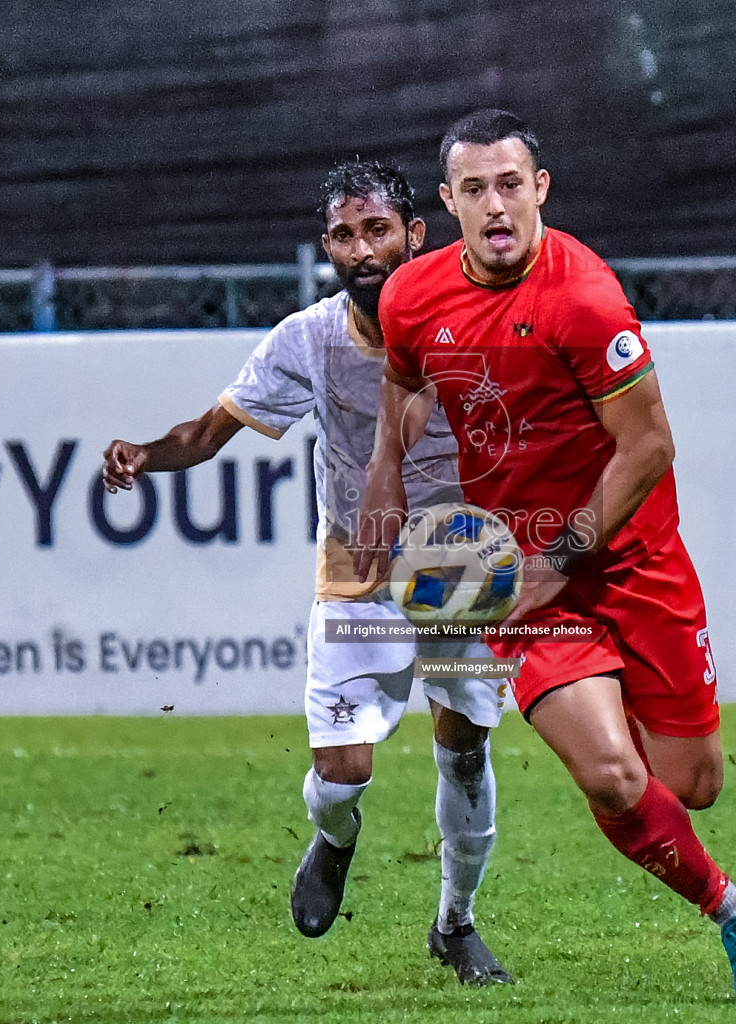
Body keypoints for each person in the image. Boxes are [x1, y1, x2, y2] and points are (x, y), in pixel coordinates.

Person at [354, 111, 736, 1003]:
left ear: (540, 189)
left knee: (690, 786)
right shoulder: (411, 297)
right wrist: (386, 468)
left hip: (633, 562)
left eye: (511, 184)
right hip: (526, 583)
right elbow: (405, 381)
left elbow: (651, 447)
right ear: (448, 203)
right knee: (612, 776)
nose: (496, 205)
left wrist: (563, 554)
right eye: (474, 189)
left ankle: (623, 730)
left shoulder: (585, 299)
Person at [102, 159, 513, 985]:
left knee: (463, 749)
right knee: (342, 770)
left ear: (414, 234)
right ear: (326, 246)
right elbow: (212, 431)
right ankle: (334, 839)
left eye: (376, 230)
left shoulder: (480, 321)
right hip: (356, 571)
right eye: (342, 235)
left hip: (459, 567)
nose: (361, 250)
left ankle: (456, 924)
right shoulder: (309, 337)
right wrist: (146, 454)